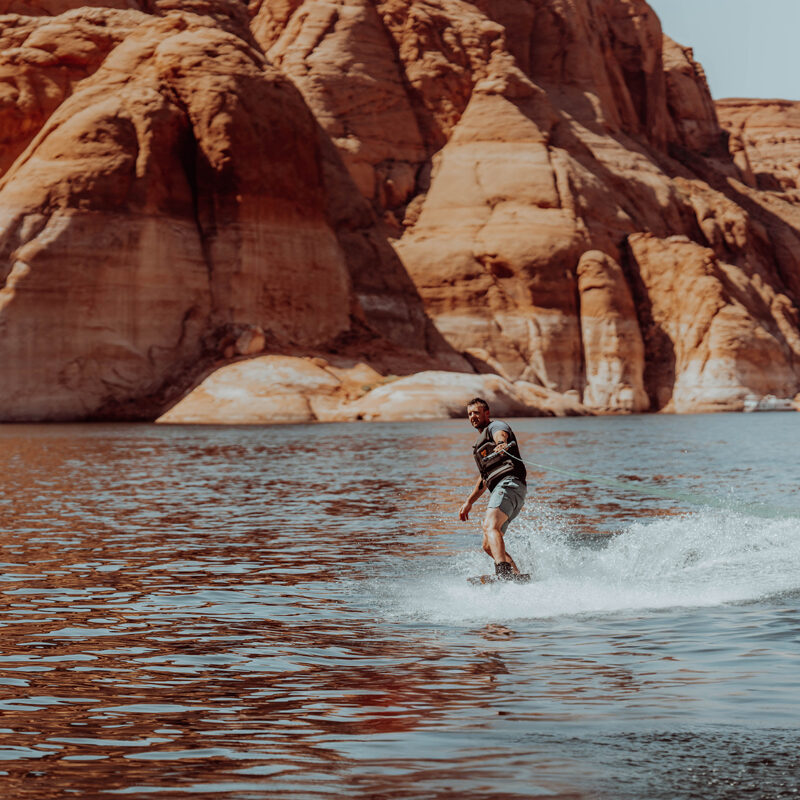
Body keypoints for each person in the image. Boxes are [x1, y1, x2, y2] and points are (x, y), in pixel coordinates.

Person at [459, 397, 527, 579]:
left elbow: (501, 434)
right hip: (508, 490)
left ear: (486, 413)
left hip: (509, 484)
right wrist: (469, 502)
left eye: (476, 412)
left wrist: (501, 443)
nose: (472, 416)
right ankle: (516, 576)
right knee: (488, 545)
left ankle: (503, 573)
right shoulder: (479, 446)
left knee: (490, 526)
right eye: (469, 414)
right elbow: (484, 479)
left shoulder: (496, 427)